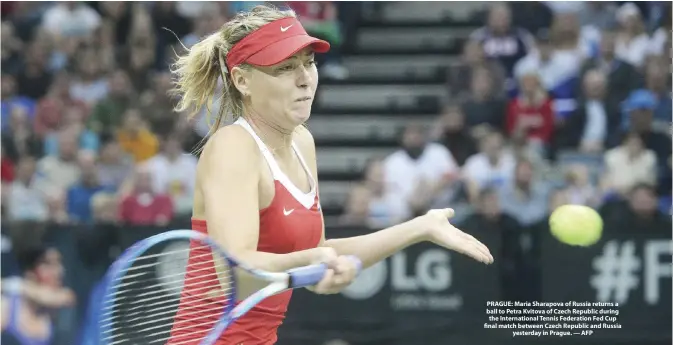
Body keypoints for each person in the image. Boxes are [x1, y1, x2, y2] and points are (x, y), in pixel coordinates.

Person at [169, 5, 493, 345]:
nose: (304, 78)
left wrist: (420, 228)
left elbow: (317, 249)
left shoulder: (302, 141)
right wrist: (313, 262)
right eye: (284, 68)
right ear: (242, 80)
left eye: (308, 62)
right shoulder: (233, 147)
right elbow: (235, 273)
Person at [1, 246, 74, 345]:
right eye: (49, 264)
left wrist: (20, 285)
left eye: (59, 263)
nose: (59, 271)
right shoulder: (8, 307)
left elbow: (64, 298)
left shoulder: (61, 305)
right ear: (30, 272)